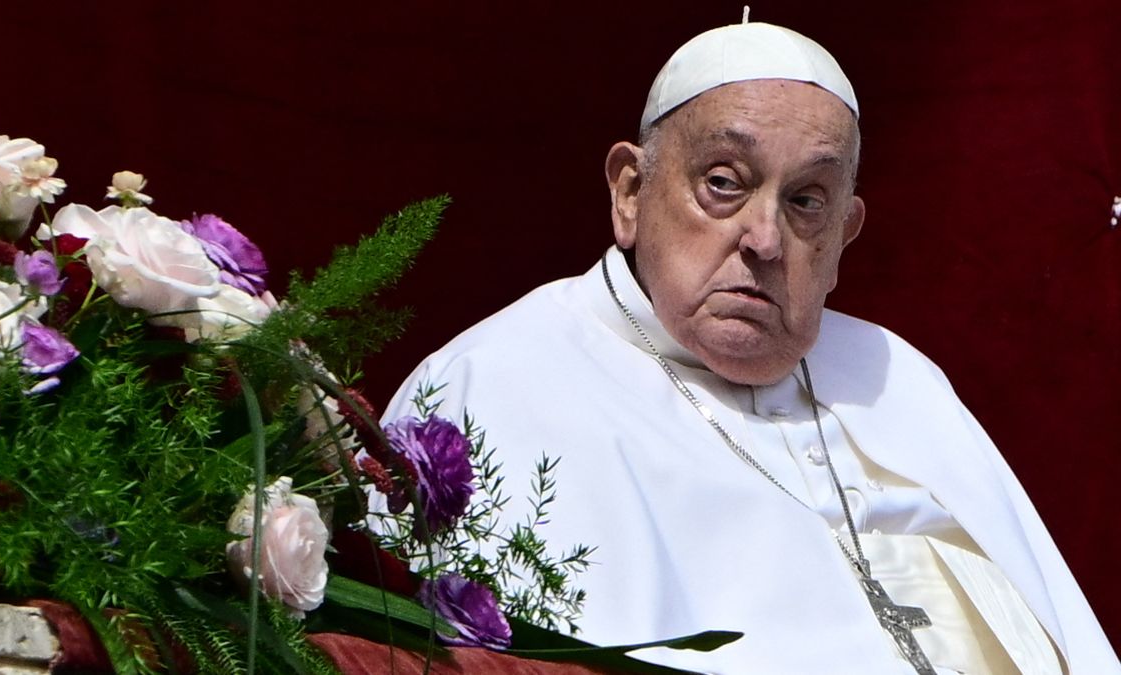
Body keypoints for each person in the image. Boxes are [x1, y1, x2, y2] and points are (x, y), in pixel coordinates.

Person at [383, 21, 1119, 674]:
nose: (764, 239)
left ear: (843, 238)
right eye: (724, 183)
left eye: (806, 201)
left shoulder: (899, 378)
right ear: (631, 192)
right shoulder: (495, 385)